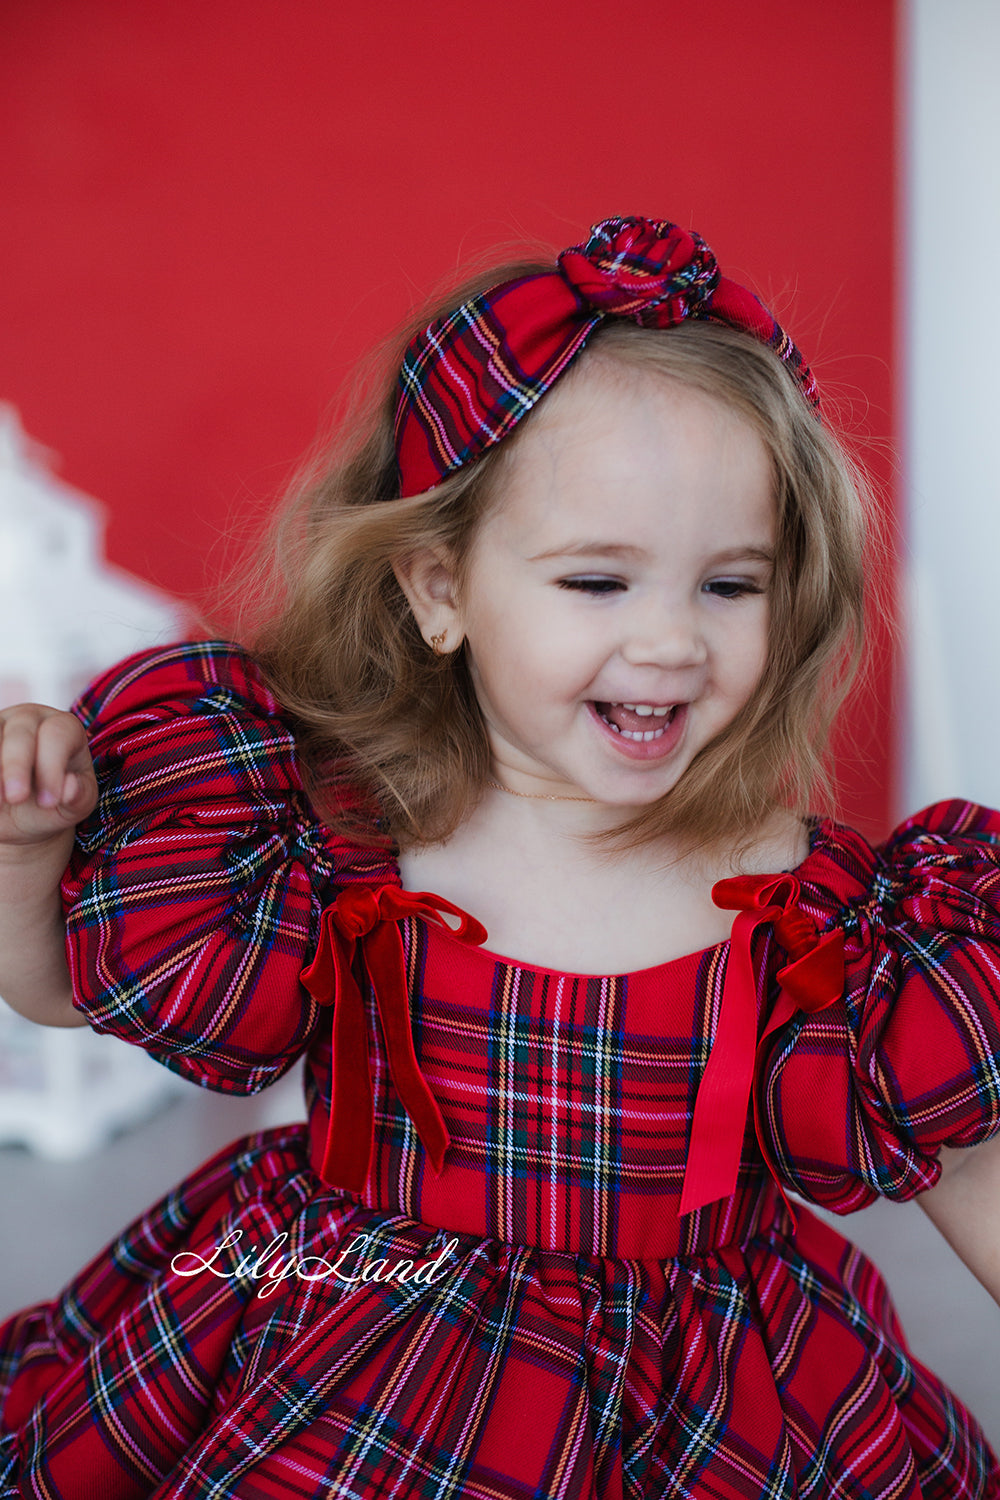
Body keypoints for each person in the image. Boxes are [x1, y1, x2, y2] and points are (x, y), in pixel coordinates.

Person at [0, 215, 998, 1500]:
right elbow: (58, 995)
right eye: (597, 583)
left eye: (728, 586)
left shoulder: (814, 922)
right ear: (439, 589)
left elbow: (969, 1159)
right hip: (354, 1336)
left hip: (695, 1396)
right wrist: (28, 854)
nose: (670, 643)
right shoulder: (335, 843)